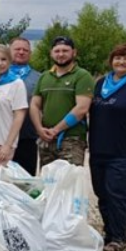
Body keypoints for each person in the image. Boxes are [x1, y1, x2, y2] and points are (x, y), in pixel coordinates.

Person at [88, 43, 126, 251]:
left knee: (117, 193)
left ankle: (119, 237)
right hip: (99, 150)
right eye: (117, 58)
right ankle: (109, 233)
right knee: (102, 193)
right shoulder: (100, 84)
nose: (121, 62)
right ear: (111, 61)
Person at [29, 36, 94, 167]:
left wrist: (56, 130)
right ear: (51, 53)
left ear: (74, 52)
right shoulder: (44, 77)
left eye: (65, 50)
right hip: (46, 139)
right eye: (57, 51)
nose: (61, 54)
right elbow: (35, 105)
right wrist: (39, 129)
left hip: (71, 140)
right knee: (48, 184)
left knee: (69, 183)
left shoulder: (82, 76)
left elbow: (81, 108)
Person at [0, 44, 28, 166]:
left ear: (9, 60)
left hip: (2, 142)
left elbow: (19, 116)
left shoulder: (17, 84)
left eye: (3, 59)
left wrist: (7, 145)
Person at [8, 37, 43, 174]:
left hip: (28, 137)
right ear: (9, 51)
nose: (21, 52)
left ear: (30, 54)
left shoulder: (39, 78)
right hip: (0, 137)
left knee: (26, 180)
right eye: (17, 49)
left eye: (25, 50)